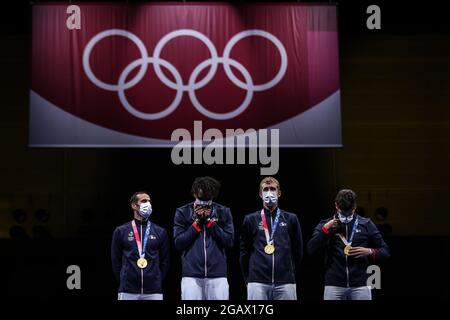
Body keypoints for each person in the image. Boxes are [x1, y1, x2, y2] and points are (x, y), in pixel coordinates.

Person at [307, 189, 390, 300]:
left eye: (349, 213)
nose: (346, 216)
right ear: (336, 205)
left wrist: (369, 251)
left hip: (361, 284)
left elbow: (385, 252)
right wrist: (325, 230)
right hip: (334, 284)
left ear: (355, 207)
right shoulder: (325, 225)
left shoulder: (366, 224)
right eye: (343, 213)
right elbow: (311, 250)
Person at [240, 177, 303, 300]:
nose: (269, 192)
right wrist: (249, 278)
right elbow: (244, 252)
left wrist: (290, 274)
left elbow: (298, 251)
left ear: (279, 193)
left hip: (285, 282)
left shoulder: (291, 219)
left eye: (273, 189)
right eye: (266, 189)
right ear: (260, 194)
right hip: (257, 282)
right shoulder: (250, 219)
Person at [173, 176, 234, 300]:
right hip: (191, 276)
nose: (204, 201)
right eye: (201, 198)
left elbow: (229, 241)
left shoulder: (224, 211)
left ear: (213, 195)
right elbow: (179, 243)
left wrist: (210, 223)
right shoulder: (182, 212)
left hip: (218, 275)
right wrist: (196, 224)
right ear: (195, 193)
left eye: (208, 198)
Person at [111, 191, 169, 300]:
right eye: (144, 201)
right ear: (134, 206)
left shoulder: (160, 232)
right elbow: (115, 261)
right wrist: (124, 280)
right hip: (128, 290)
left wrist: (156, 279)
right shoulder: (121, 231)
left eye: (149, 201)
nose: (148, 204)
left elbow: (165, 261)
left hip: (153, 291)